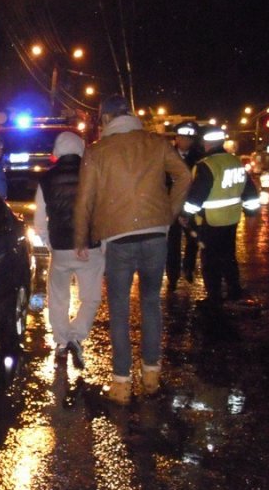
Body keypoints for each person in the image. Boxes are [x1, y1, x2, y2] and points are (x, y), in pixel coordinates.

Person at [73, 95, 191, 403]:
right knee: (151, 302)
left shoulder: (97, 152)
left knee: (120, 309)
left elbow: (84, 199)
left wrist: (81, 238)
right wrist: (169, 214)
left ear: (107, 120)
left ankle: (122, 383)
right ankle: (151, 375)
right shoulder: (155, 143)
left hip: (117, 238)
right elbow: (184, 175)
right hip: (156, 235)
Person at [34, 132, 104, 370]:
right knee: (91, 296)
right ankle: (77, 334)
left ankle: (62, 341)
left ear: (58, 151)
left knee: (59, 295)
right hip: (90, 246)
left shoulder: (47, 179)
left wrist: (49, 242)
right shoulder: (93, 175)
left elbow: (40, 218)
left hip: (61, 246)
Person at [181, 125, 260, 311]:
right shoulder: (236, 162)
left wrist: (186, 214)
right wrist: (250, 214)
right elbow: (250, 192)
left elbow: (197, 195)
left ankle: (214, 297)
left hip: (211, 221)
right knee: (228, 256)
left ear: (206, 143)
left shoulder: (206, 165)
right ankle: (234, 290)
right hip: (231, 220)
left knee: (210, 260)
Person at [166, 121, 204, 292]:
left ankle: (188, 268)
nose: (185, 141)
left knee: (193, 239)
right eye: (182, 137)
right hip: (171, 206)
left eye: (189, 138)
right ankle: (172, 277)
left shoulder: (199, 157)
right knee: (172, 244)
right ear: (176, 138)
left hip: (191, 206)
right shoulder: (167, 155)